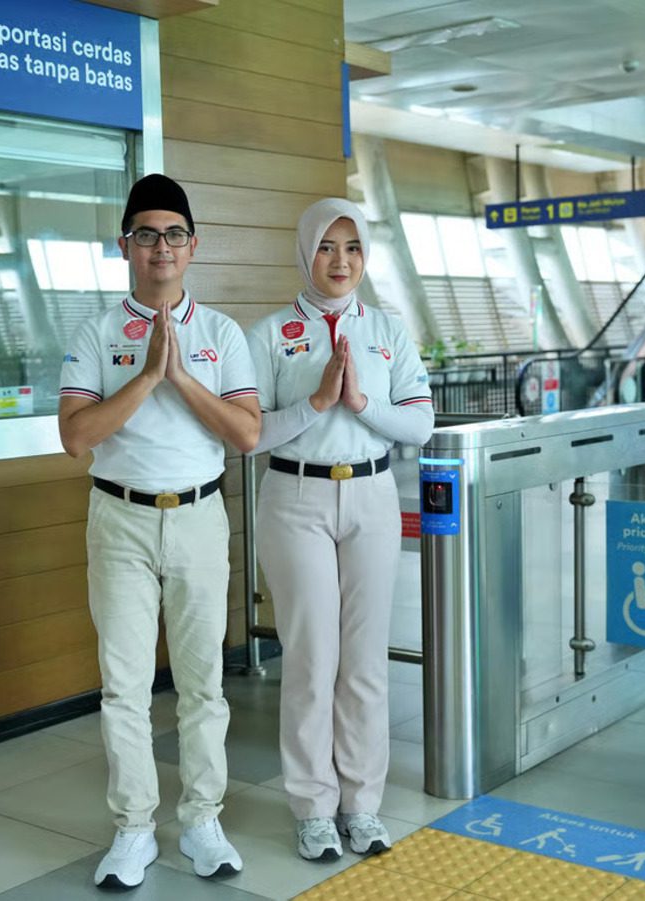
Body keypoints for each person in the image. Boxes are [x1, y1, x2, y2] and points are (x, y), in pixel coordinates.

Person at [58, 174, 261, 889]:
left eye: (174, 234)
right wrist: (146, 376)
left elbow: (246, 434)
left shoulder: (222, 333)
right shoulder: (96, 332)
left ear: (193, 246)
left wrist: (182, 378)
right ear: (126, 246)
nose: (161, 247)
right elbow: (76, 437)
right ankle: (134, 828)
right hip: (119, 520)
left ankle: (202, 818)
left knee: (204, 683)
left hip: (200, 517)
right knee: (125, 687)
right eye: (147, 234)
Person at [246, 198, 434, 861]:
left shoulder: (387, 329)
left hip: (373, 496)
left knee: (364, 660)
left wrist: (361, 403)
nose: (340, 260)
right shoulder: (270, 334)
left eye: (352, 247)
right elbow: (249, 434)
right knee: (311, 657)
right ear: (306, 252)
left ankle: (361, 803)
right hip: (294, 497)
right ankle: (313, 807)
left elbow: (420, 423)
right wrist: (317, 403)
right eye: (327, 246)